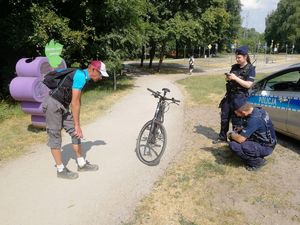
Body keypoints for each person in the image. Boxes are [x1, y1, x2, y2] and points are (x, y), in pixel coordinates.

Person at [42, 60, 109, 179]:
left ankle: (81, 164)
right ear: (93, 69)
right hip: (53, 104)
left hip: (63, 106)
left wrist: (76, 126)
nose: (101, 77)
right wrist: (77, 124)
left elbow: (77, 101)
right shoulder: (80, 76)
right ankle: (60, 169)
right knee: (55, 135)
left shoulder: (84, 78)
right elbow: (75, 103)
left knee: (76, 133)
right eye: (100, 74)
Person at [213, 45, 256, 144]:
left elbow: (248, 85)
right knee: (224, 118)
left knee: (237, 121)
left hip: (240, 98)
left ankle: (234, 140)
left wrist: (236, 78)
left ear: (245, 57)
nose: (237, 59)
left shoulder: (250, 69)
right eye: (236, 57)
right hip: (229, 96)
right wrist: (228, 78)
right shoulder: (234, 67)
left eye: (239, 57)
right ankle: (222, 137)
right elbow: (229, 80)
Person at [227, 99, 277, 171]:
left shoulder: (254, 119)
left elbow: (240, 139)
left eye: (237, 113)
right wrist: (241, 128)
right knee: (236, 139)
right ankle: (256, 154)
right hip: (269, 142)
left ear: (243, 112)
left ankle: (258, 162)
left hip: (266, 147)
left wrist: (230, 134)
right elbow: (256, 126)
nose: (237, 115)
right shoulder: (258, 111)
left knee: (234, 145)